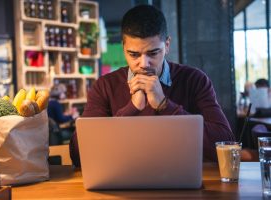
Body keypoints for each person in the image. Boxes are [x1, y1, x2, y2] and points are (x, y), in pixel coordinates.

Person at [69, 5, 234, 167]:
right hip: (122, 182)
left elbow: (226, 145)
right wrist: (132, 108)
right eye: (134, 54)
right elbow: (78, 155)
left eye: (153, 53)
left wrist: (164, 105)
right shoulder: (104, 86)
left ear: (167, 45)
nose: (143, 64)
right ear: (123, 48)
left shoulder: (194, 80)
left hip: (180, 180)